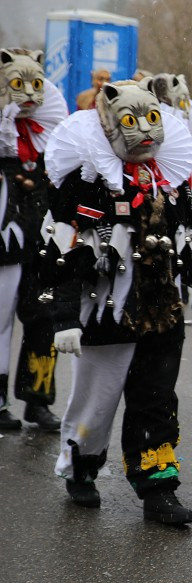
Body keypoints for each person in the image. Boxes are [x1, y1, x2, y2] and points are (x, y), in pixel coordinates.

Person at [41, 78, 192, 524]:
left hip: (160, 306)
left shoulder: (169, 180)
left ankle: (157, 485)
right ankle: (81, 467)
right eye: (132, 122)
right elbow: (62, 249)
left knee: (157, 397)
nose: (144, 133)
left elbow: (186, 236)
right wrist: (63, 316)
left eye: (152, 119)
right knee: (97, 398)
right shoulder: (85, 182)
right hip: (105, 308)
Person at [0, 48, 67, 431]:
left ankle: (37, 399)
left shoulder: (50, 132)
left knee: (44, 317)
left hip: (40, 242)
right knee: (0, 320)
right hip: (4, 242)